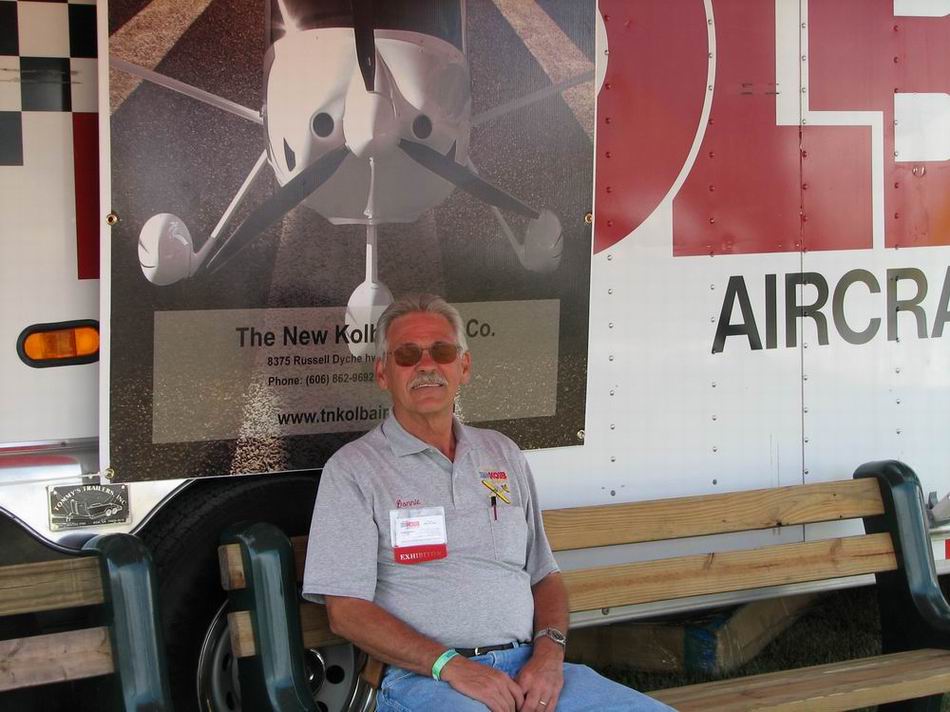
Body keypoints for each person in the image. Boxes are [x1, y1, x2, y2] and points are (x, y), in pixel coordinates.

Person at [303, 294, 673, 712]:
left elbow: (544, 575)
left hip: (531, 668)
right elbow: (346, 611)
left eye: (442, 351)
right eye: (407, 355)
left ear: (463, 366)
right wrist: (450, 666)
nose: (426, 365)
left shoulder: (502, 453)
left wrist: (549, 655)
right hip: (427, 678)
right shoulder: (354, 469)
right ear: (382, 373)